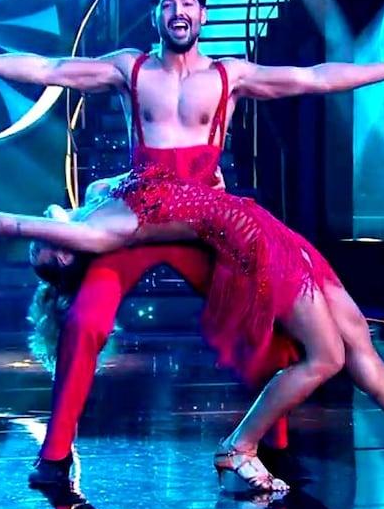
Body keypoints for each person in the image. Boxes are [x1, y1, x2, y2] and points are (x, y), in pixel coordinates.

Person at [0, 0, 384, 493]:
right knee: (87, 318)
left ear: (202, 16)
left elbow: (312, 78)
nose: (179, 11)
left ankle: (283, 438)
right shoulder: (130, 69)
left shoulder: (230, 75)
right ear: (156, 15)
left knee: (304, 325)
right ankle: (55, 454)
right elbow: (47, 69)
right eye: (169, 3)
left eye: (189, 3)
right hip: (142, 215)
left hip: (210, 222)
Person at [24, 173, 294, 487]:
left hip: (187, 224)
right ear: (67, 253)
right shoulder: (97, 230)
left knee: (255, 313)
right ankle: (56, 453)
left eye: (40, 237)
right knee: (84, 323)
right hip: (136, 242)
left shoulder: (96, 195)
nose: (44, 225)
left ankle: (275, 436)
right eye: (47, 241)